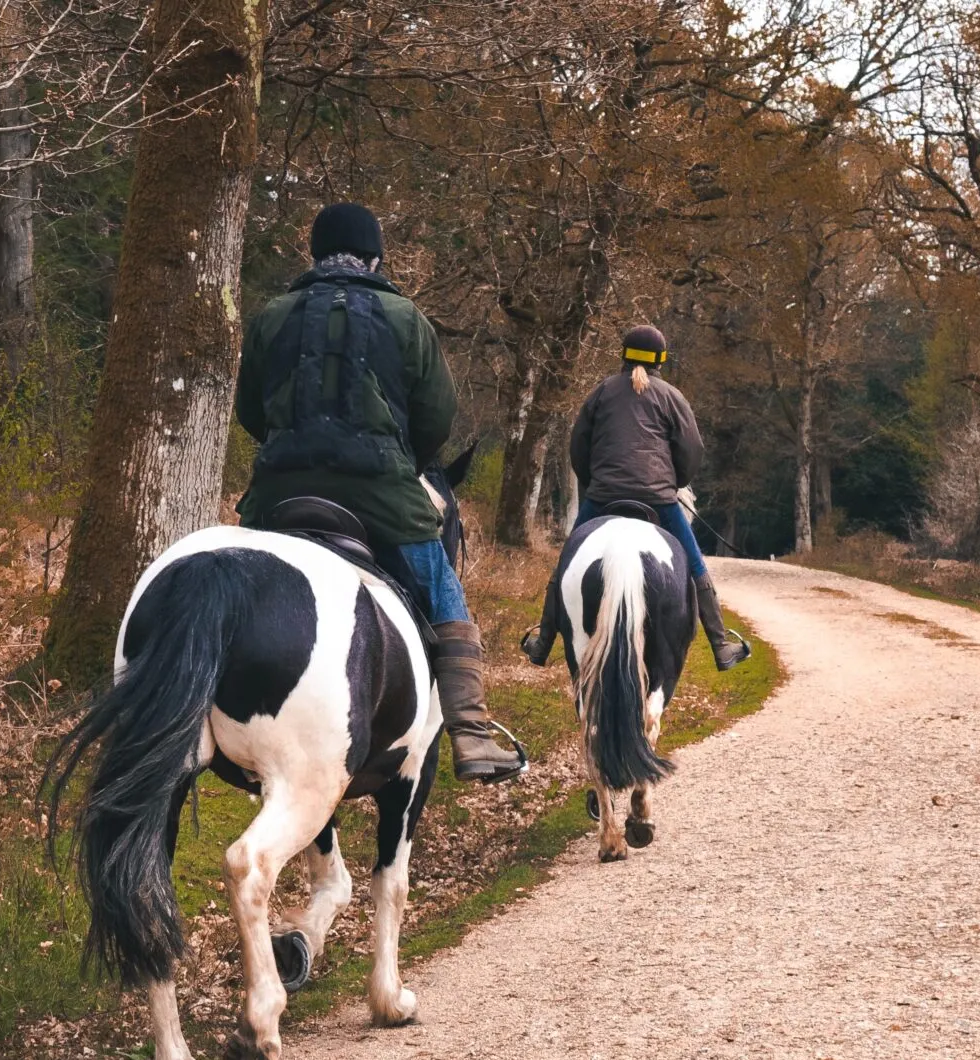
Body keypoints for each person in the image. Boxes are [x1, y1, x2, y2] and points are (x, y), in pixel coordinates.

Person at [233, 202, 523, 783]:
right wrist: (400, 460)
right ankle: (470, 732)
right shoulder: (405, 316)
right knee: (443, 591)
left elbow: (250, 411)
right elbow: (435, 419)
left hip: (277, 494)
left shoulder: (272, 315)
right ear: (374, 257)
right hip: (382, 495)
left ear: (314, 254)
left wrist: (293, 446)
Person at [521, 324, 752, 671]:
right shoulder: (672, 397)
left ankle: (542, 643)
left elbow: (579, 447)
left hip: (602, 498)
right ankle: (720, 645)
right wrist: (675, 482)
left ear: (624, 355)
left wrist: (595, 482)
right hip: (658, 500)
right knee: (694, 564)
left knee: (566, 562)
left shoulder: (600, 392)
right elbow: (691, 451)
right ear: (661, 360)